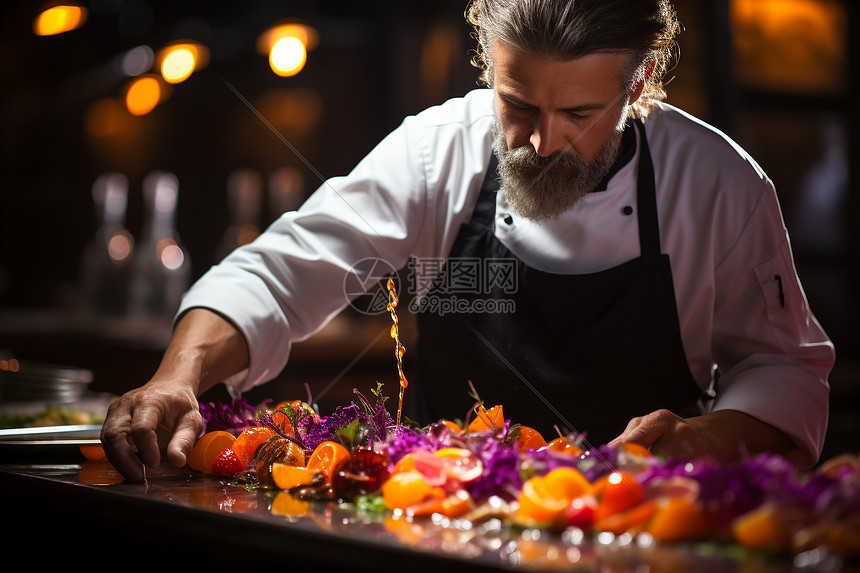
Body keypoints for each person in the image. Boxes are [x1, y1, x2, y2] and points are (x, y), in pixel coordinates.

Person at [102, 0, 834, 482]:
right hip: (434, 526)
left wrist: (708, 439)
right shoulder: (437, 152)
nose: (543, 143)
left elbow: (782, 370)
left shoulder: (719, 185)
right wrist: (178, 374)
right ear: (488, 64)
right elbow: (280, 273)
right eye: (517, 104)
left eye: (579, 111)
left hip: (634, 537)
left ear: (639, 82)